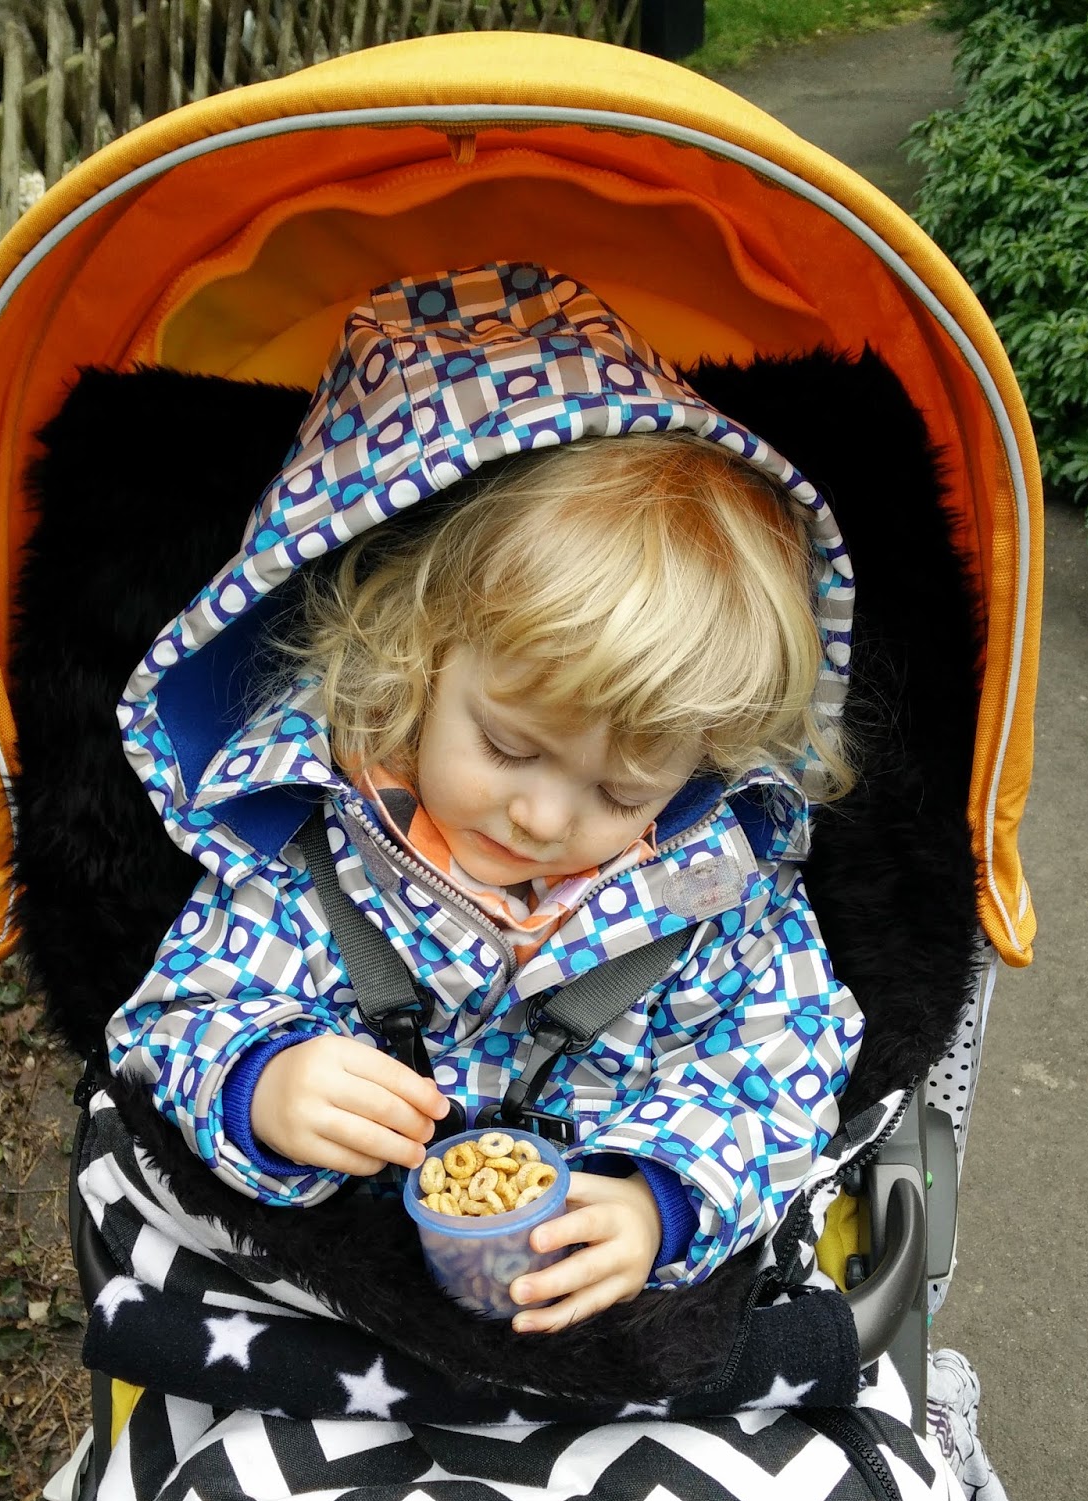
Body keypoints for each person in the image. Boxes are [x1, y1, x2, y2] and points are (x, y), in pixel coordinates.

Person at [108, 261, 864, 1337]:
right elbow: (177, 1015)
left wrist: (662, 1200)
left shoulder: (715, 890)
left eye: (621, 790)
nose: (543, 819)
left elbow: (784, 1054)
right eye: (508, 747)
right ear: (415, 658)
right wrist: (263, 1086)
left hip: (596, 1305)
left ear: (703, 760)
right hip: (333, 1296)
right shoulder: (313, 853)